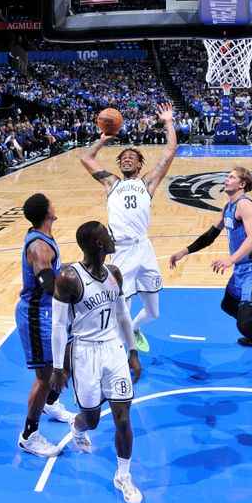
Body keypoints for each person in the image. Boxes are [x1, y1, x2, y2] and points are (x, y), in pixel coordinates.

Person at [169, 166, 252, 388]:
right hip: (240, 269)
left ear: (242, 184)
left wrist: (230, 260)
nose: (226, 180)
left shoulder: (245, 205)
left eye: (231, 177)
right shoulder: (228, 206)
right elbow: (209, 236)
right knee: (228, 306)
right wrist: (183, 252)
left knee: (244, 324)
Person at [49, 221, 143, 503]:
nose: (112, 237)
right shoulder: (68, 278)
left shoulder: (114, 273)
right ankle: (76, 428)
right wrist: (57, 368)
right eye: (107, 234)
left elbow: (124, 315)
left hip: (113, 350)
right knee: (91, 419)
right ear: (99, 244)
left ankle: (124, 476)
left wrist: (133, 351)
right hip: (85, 355)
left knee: (123, 419)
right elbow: (57, 325)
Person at [78, 102, 177, 354]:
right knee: (120, 307)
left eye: (131, 158)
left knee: (154, 312)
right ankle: (120, 353)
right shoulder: (111, 183)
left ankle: (133, 328)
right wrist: (104, 139)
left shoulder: (148, 183)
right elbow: (86, 158)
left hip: (144, 249)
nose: (126, 160)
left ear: (139, 165)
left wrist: (168, 122)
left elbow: (170, 151)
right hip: (121, 252)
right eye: (122, 158)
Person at [15, 193, 75, 457]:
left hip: (52, 314)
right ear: (47, 213)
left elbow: (55, 271)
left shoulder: (45, 237)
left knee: (68, 363)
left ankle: (51, 403)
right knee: (45, 376)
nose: (55, 204)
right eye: (52, 203)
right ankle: (29, 434)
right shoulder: (38, 247)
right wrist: (77, 291)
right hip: (37, 316)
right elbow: (50, 285)